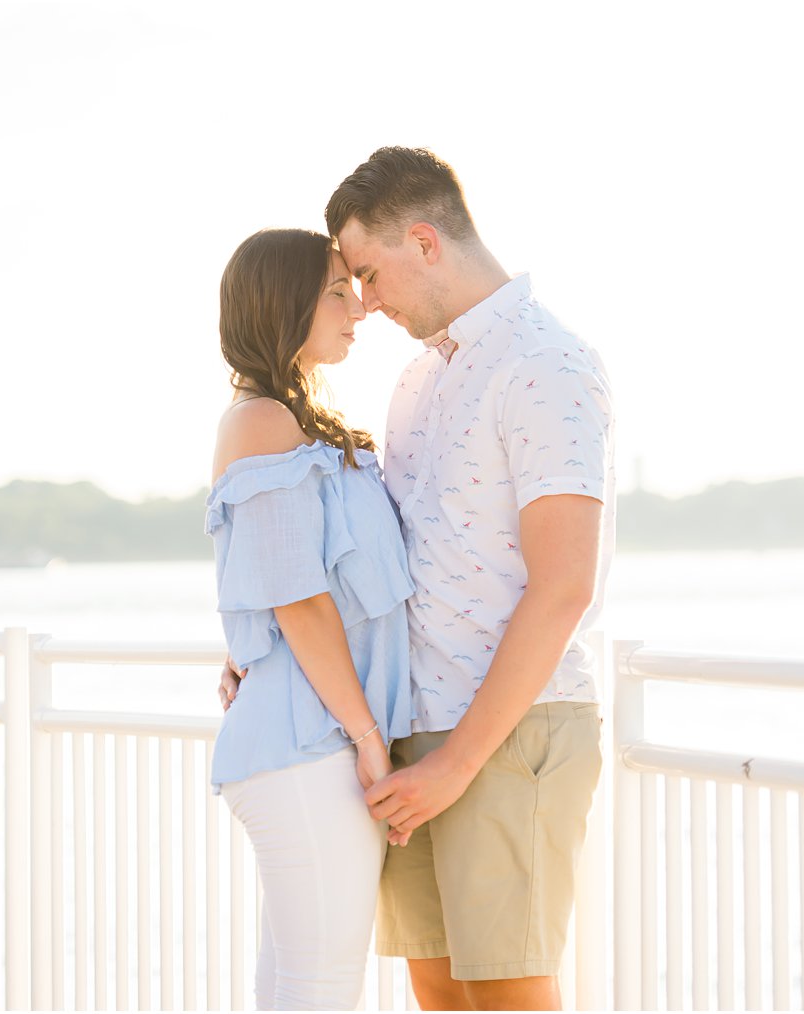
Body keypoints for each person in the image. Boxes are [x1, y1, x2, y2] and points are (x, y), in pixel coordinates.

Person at [224, 148, 617, 1011]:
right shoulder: (415, 381)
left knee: (510, 995)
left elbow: (564, 586)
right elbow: (369, 564)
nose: (363, 300)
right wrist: (265, 645)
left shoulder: (544, 364)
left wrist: (461, 761)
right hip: (416, 727)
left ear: (426, 241)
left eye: (367, 271)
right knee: (440, 997)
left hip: (508, 730)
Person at [206, 227, 416, 1010]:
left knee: (302, 990)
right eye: (336, 289)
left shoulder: (295, 421)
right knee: (320, 992)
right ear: (282, 302)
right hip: (309, 745)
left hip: (313, 736)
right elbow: (298, 598)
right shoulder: (263, 422)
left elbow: (280, 580)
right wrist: (369, 741)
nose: (357, 305)